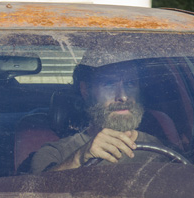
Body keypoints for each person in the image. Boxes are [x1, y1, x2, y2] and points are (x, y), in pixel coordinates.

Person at [30, 59, 165, 174]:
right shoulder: (56, 154)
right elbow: (35, 195)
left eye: (130, 84)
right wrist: (79, 158)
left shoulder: (162, 150)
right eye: (109, 84)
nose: (123, 97)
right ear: (85, 91)